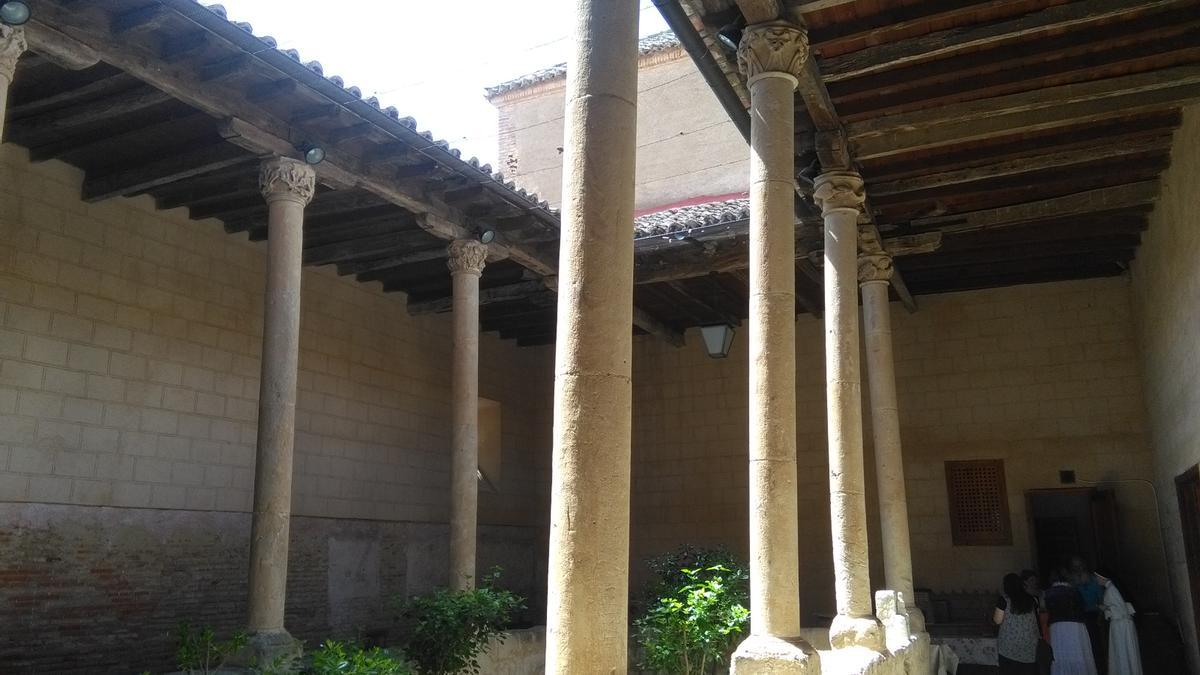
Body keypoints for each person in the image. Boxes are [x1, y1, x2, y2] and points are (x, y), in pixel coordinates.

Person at [1045, 568, 1099, 675]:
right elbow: (1082, 607)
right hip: (1075, 626)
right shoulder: (1073, 591)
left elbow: (1047, 609)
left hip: (1057, 627)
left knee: (1061, 654)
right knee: (1078, 652)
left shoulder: (1049, 593)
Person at [994, 573, 1041, 674]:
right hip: (1029, 643)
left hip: (1009, 645)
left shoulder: (1004, 600)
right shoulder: (1032, 599)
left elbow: (997, 621)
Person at [1097, 572, 1143, 675]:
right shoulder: (1111, 588)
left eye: (1097, 577)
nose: (1097, 580)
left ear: (1103, 578)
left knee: (1122, 651)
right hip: (1120, 624)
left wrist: (1106, 608)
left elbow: (1122, 609)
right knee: (1122, 651)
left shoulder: (1112, 589)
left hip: (1121, 625)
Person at [1070, 556, 1107, 671]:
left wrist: (1101, 615)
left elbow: (1101, 599)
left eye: (1079, 565)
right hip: (1078, 616)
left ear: (1084, 565)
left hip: (1093, 614)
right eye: (1075, 566)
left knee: (1095, 644)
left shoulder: (1094, 580)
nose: (1077, 568)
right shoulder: (1072, 581)